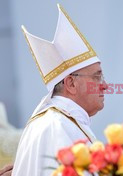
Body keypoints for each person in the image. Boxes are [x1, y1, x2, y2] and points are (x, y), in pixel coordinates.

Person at [12, 4, 107, 176]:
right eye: (97, 77)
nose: (105, 85)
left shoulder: (59, 122)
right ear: (71, 83)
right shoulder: (57, 126)